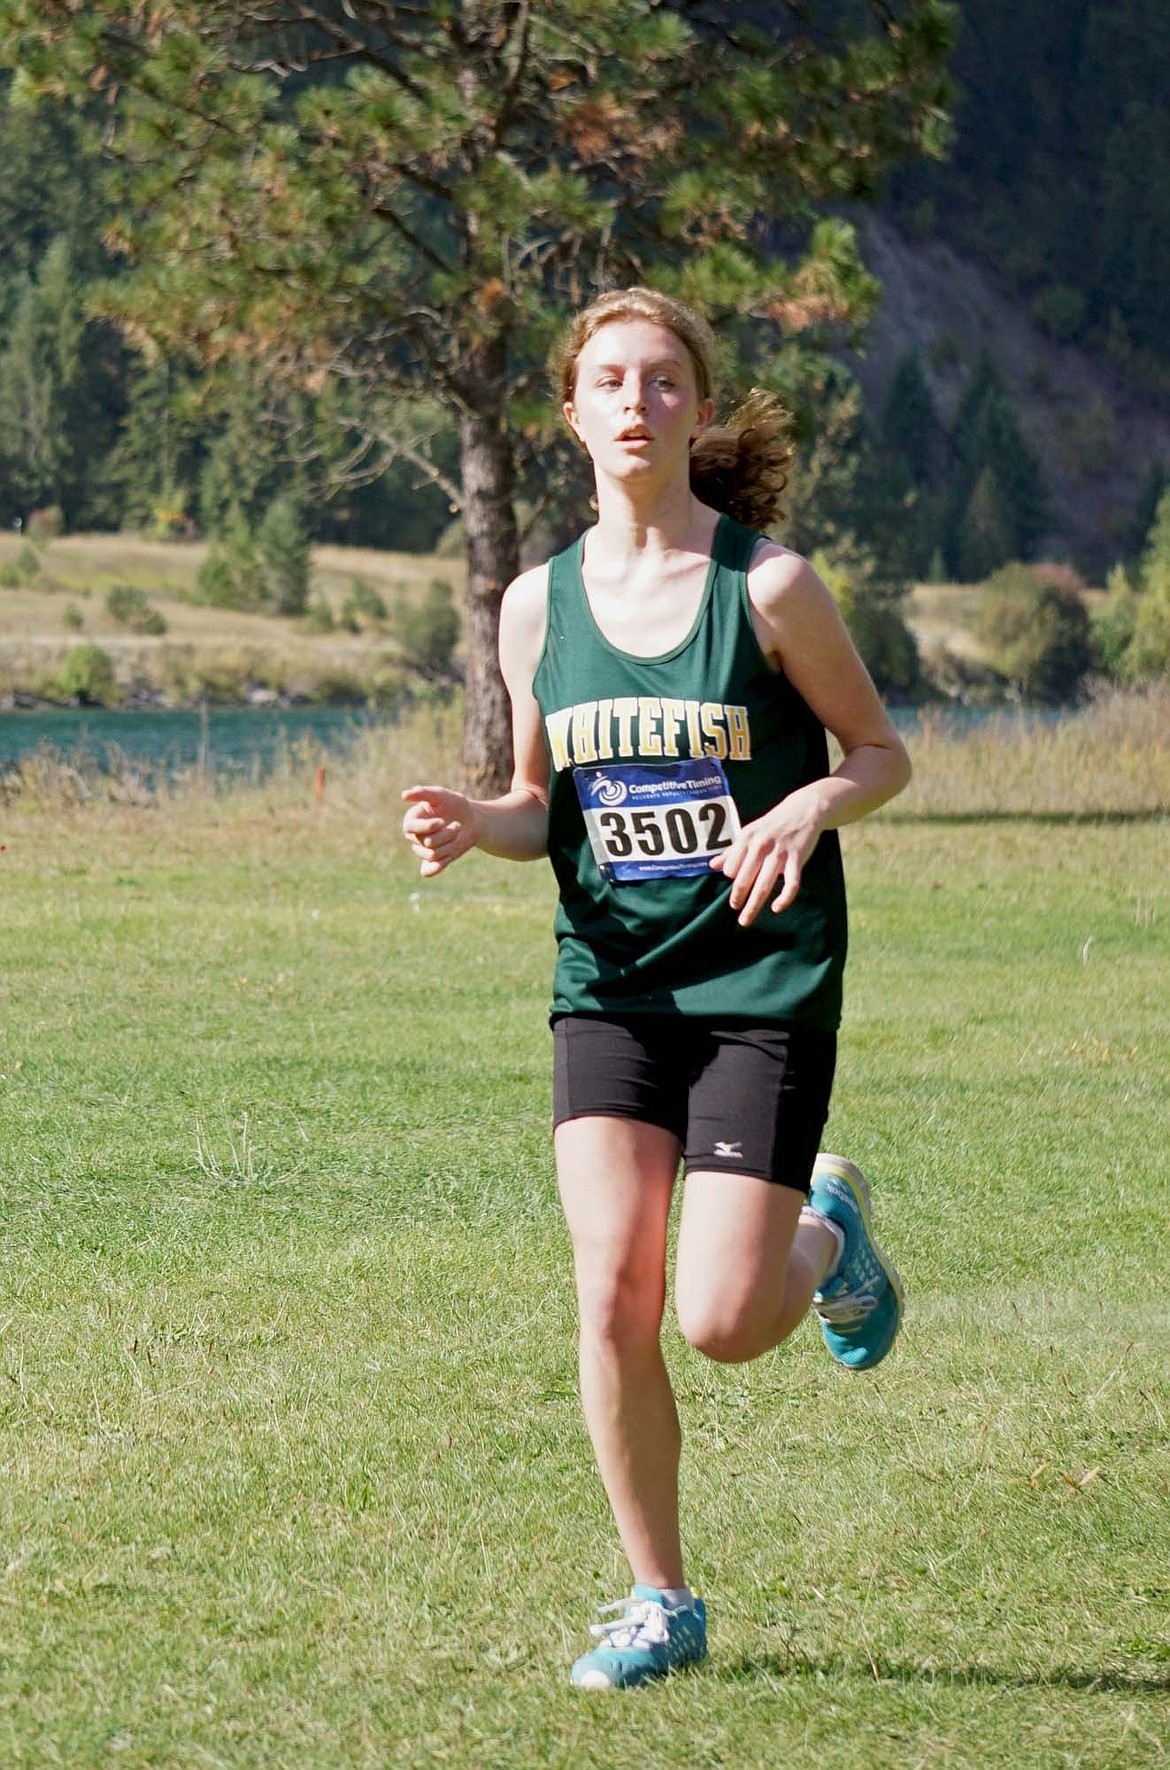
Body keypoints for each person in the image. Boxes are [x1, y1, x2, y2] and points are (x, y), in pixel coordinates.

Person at [402, 287, 911, 1691]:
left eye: (664, 380)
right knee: (611, 1294)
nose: (636, 401)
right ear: (569, 412)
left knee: (722, 1321)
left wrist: (805, 807)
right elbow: (535, 806)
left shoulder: (767, 587)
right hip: (611, 987)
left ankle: (828, 1234)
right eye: (609, 381)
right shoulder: (533, 604)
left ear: (696, 407)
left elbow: (880, 753)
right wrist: (472, 820)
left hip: (758, 983)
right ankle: (658, 1598)